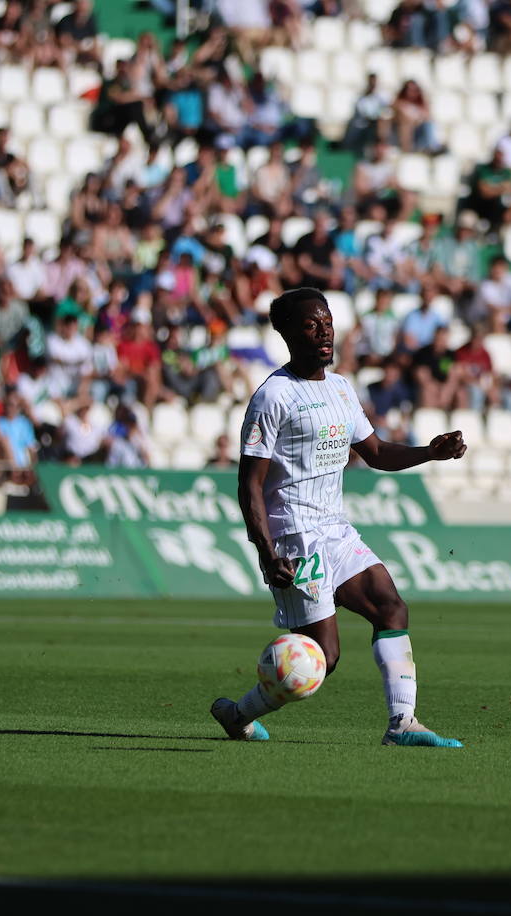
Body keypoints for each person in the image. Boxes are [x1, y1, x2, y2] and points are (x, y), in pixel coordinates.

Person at [211, 287, 467, 748]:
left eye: (327, 321)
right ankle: (239, 714)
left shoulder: (341, 388)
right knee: (322, 659)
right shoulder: (273, 397)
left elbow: (377, 452)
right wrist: (267, 553)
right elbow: (249, 485)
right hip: (295, 538)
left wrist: (430, 451)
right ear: (288, 334)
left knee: (391, 606)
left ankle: (402, 723)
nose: (324, 331)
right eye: (311, 324)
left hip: (336, 528)